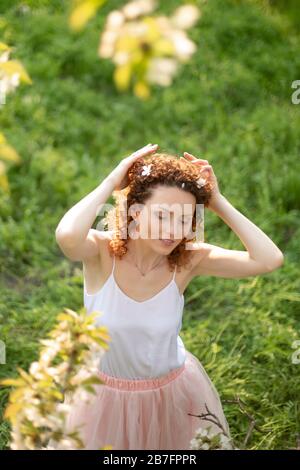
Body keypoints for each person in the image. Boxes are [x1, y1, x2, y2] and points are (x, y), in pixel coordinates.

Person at [52, 143, 284, 450]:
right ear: (134, 211)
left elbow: (269, 260)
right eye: (161, 216)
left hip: (170, 395)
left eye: (183, 219)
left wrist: (217, 201)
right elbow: (67, 236)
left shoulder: (187, 259)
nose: (173, 230)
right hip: (105, 398)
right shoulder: (101, 253)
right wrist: (111, 183)